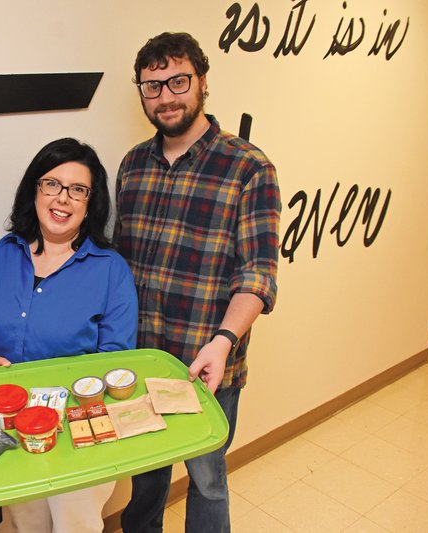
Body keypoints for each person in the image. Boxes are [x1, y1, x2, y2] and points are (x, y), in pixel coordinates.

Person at [114, 32, 281, 533]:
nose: (165, 96)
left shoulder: (249, 167)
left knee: (207, 479)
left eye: (177, 81)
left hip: (205, 363)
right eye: (152, 86)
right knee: (145, 477)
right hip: (142, 358)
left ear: (202, 82)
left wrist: (224, 341)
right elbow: (119, 264)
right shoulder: (132, 165)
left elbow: (258, 274)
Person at [0, 137, 138, 532]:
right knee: (24, 522)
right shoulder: (2, 253)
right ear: (34, 189)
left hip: (79, 429)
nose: (62, 198)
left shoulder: (110, 269)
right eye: (52, 184)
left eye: (77, 190)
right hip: (11, 422)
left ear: (90, 203)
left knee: (74, 525)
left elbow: (116, 361)